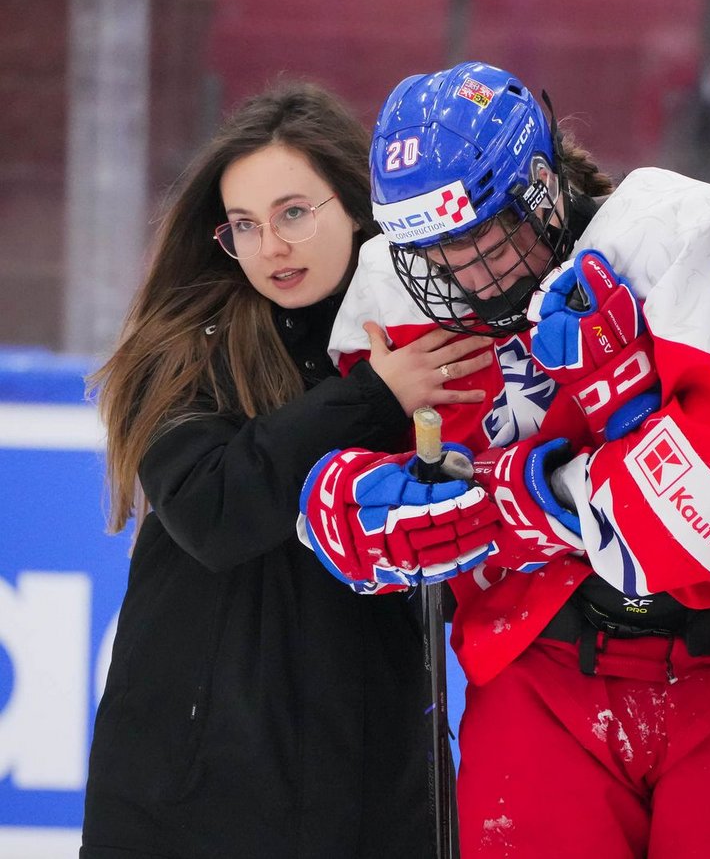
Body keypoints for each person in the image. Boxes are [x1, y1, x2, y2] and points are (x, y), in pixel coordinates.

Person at [300, 61, 710, 858]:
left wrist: (496, 504)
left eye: (485, 235)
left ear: (542, 188)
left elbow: (706, 511)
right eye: (437, 252)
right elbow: (373, 489)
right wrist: (343, 505)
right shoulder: (396, 292)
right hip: (536, 678)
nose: (469, 274)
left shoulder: (672, 231)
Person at [81, 80, 495, 859]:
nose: (270, 246)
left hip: (371, 775)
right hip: (194, 784)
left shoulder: (430, 336)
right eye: (245, 225)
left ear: (354, 205)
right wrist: (373, 396)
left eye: (294, 213)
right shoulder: (182, 345)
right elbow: (215, 509)